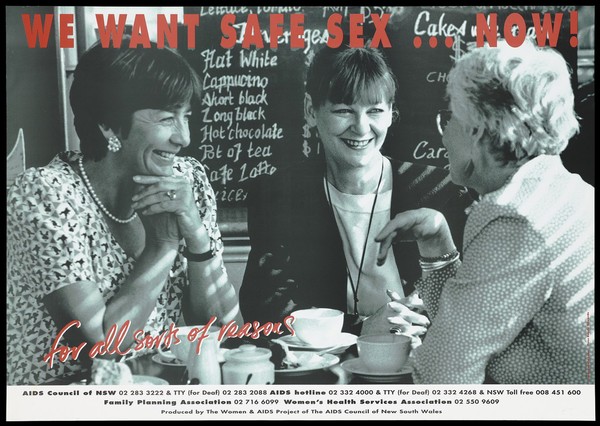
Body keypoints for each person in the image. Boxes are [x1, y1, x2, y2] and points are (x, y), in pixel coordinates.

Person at [6, 38, 242, 385]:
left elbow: (229, 332)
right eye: (166, 118)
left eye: (186, 116)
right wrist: (162, 247)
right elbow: (101, 348)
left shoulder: (186, 181)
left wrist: (196, 234)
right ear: (108, 124)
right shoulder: (44, 196)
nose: (184, 138)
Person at [376, 39, 594, 384]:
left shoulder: (514, 218)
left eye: (449, 118)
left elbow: (441, 377)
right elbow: (466, 323)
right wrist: (437, 246)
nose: (444, 134)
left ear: (475, 130)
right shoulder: (567, 191)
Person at [240, 45, 472, 338]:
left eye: (375, 111)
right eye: (344, 111)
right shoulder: (278, 194)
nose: (361, 128)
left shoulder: (440, 192)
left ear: (390, 114)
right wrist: (362, 329)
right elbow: (266, 311)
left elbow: (470, 307)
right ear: (311, 111)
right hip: (330, 371)